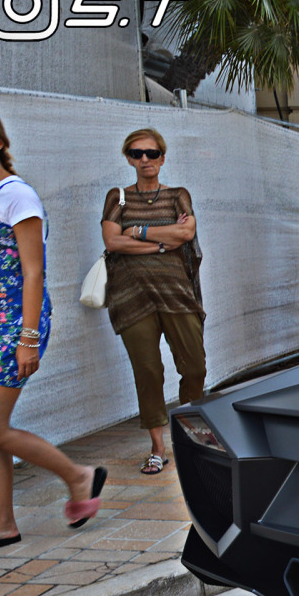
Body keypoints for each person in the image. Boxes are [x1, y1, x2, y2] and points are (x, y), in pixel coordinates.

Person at [0, 104, 105, 558]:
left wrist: (29, 338)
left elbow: (33, 272)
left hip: (13, 323)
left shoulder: (17, 196)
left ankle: (78, 476)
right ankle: (3, 525)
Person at [101, 127, 204, 476]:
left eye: (151, 153)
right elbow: (113, 242)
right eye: (136, 153)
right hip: (132, 296)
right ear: (128, 157)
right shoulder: (118, 198)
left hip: (176, 292)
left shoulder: (178, 195)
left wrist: (139, 232)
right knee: (148, 372)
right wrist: (162, 242)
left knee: (194, 367)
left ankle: (188, 434)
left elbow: (187, 233)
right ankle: (159, 447)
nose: (144, 159)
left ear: (162, 156)